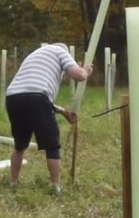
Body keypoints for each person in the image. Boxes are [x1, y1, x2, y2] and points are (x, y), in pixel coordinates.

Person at [5, 43, 92, 193]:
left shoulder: (35, 54)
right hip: (37, 97)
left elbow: (36, 97)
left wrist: (64, 112)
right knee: (52, 145)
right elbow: (79, 76)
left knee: (20, 144)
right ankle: (55, 186)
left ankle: (13, 182)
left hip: (13, 97)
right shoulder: (59, 51)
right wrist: (86, 70)